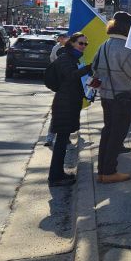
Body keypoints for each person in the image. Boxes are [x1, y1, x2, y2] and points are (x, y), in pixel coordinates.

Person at [91, 12, 131, 184]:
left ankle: (102, 171)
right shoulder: (126, 48)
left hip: (106, 95)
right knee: (117, 134)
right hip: (122, 96)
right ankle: (109, 171)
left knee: (108, 132)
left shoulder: (104, 45)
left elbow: (94, 67)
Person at [45, 33, 92, 187]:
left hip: (69, 103)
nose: (83, 46)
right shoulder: (65, 58)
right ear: (71, 43)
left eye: (86, 44)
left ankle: (58, 173)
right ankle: (55, 177)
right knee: (60, 143)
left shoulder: (71, 58)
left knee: (62, 141)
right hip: (64, 104)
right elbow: (71, 76)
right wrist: (88, 68)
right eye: (80, 43)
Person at [44, 31, 71, 146]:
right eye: (62, 37)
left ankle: (66, 137)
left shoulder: (72, 50)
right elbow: (52, 59)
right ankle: (50, 138)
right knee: (56, 114)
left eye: (65, 37)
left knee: (70, 114)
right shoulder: (57, 48)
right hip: (61, 88)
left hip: (71, 88)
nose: (63, 39)